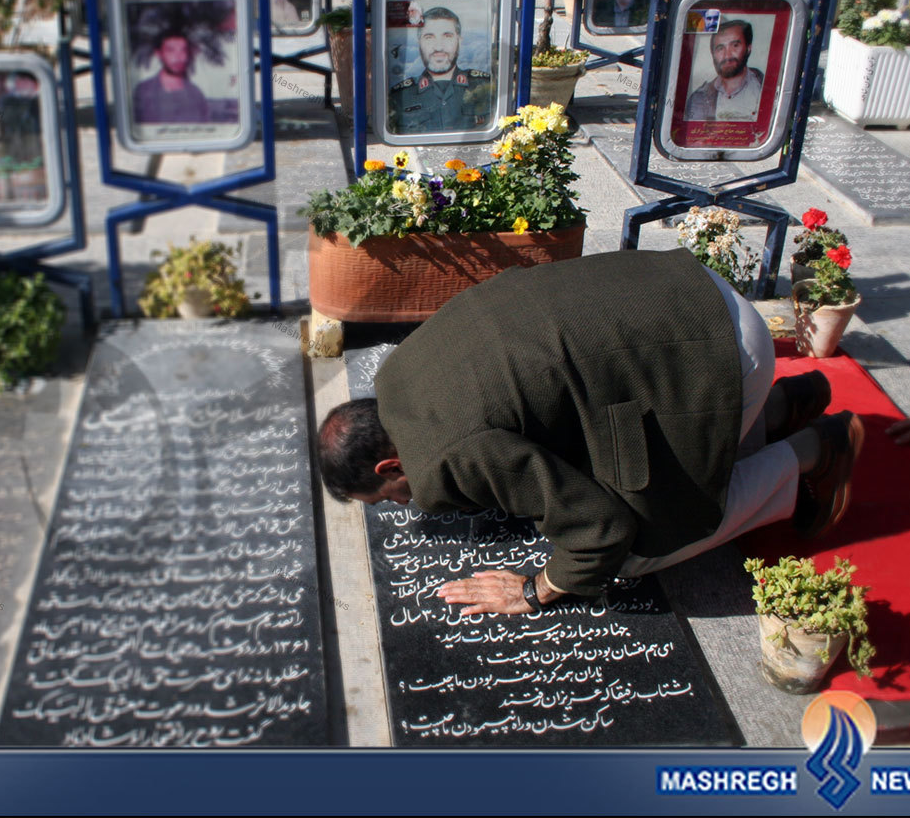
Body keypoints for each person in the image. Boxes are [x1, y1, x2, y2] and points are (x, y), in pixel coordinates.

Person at [316, 248, 865, 615]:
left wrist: (537, 589)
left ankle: (811, 454)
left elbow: (603, 530)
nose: (404, 504)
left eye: (387, 497)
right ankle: (781, 406)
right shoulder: (397, 375)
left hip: (720, 350)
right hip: (689, 290)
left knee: (642, 544)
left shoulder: (448, 459)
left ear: (390, 466)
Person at [388, 6, 492, 134]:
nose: (438, 47)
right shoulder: (400, 96)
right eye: (429, 37)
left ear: (459, 40)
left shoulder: (485, 86)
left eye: (447, 36)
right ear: (419, 42)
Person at [684, 19, 765, 122]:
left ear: (748, 48)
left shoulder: (766, 88)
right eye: (720, 48)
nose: (727, 55)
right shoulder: (698, 99)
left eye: (735, 45)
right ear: (713, 54)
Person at [132, 30, 210, 124]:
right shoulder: (144, 92)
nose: (179, 57)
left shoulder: (196, 94)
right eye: (171, 50)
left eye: (183, 50)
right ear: (159, 53)